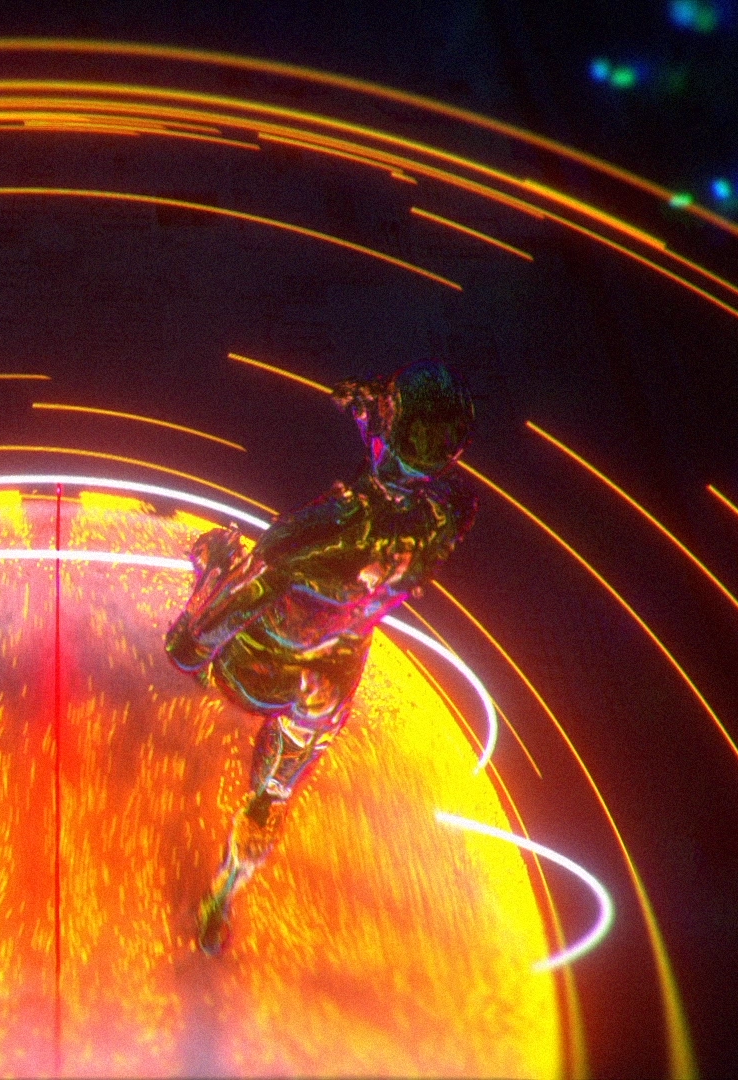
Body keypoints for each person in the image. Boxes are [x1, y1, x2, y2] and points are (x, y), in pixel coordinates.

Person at [165, 359, 477, 956]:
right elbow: (402, 482)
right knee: (270, 799)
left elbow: (191, 644)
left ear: (391, 425)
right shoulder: (452, 512)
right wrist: (373, 416)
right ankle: (221, 904)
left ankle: (223, 900)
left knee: (210, 583)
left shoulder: (314, 532)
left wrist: (208, 573)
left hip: (256, 672)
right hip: (329, 685)